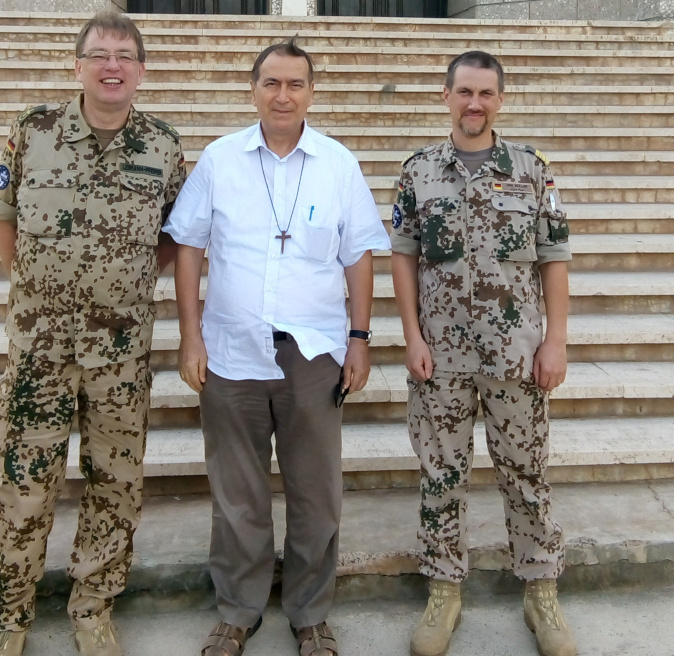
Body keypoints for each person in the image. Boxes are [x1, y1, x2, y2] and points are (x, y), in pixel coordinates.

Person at [164, 37, 390, 656]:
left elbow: (358, 256)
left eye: (295, 84)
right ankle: (238, 611)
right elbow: (189, 247)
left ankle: (310, 614)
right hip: (231, 351)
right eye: (271, 83)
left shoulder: (338, 164)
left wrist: (360, 339)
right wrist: (190, 336)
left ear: (311, 93)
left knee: (316, 493)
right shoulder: (220, 160)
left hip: (313, 356)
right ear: (253, 90)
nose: (282, 95)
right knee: (237, 492)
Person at [0, 11, 186, 656]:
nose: (111, 66)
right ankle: (8, 616)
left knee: (115, 484)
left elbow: (175, 234)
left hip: (120, 353)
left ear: (141, 71)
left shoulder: (162, 147)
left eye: (124, 56)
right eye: (99, 54)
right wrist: (34, 288)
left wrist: (123, 282)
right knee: (24, 483)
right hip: (38, 350)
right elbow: (3, 215)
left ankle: (93, 605)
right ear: (78, 66)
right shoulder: (33, 131)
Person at [390, 51, 577, 656]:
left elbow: (554, 258)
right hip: (440, 356)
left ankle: (540, 590)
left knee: (527, 474)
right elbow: (403, 256)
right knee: (441, 475)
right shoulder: (418, 171)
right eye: (465, 92)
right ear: (446, 96)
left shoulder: (531, 170)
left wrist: (555, 340)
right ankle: (444, 590)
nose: (475, 104)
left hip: (516, 356)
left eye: (486, 93)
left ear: (501, 99)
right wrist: (412, 336)